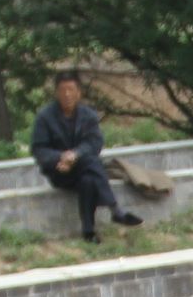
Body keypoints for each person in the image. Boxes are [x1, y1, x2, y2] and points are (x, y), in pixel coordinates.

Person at [30, 71, 142, 241]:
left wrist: (74, 155)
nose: (67, 94)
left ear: (78, 92)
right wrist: (62, 157)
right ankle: (115, 209)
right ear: (56, 92)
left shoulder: (88, 115)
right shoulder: (45, 117)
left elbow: (95, 143)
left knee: (88, 179)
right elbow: (39, 149)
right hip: (59, 171)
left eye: (71, 90)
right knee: (91, 162)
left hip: (83, 168)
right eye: (62, 90)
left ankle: (88, 232)